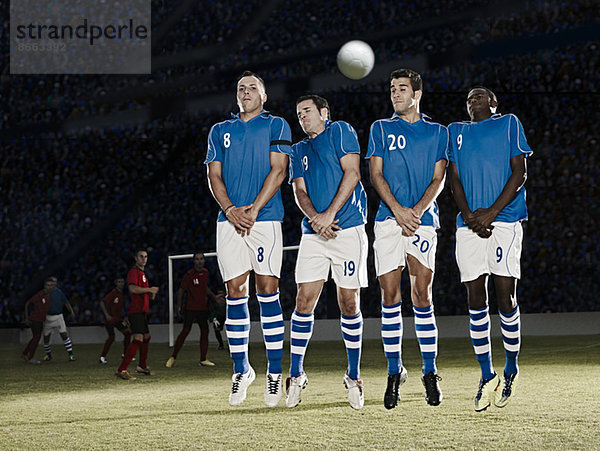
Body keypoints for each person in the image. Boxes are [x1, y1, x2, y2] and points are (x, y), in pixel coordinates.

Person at [205, 71, 291, 407]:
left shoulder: (276, 124)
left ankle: (273, 370)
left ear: (264, 96)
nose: (246, 92)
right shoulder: (219, 130)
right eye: (241, 88)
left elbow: (279, 170)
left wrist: (252, 210)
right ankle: (242, 370)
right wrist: (230, 210)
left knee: (267, 291)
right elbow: (214, 174)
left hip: (265, 219)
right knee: (234, 293)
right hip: (228, 221)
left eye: (252, 87)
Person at [448, 86, 533, 411]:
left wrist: (491, 213)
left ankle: (510, 367)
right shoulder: (456, 131)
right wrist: (469, 215)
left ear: (494, 103)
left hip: (505, 220)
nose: (473, 99)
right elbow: (453, 178)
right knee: (474, 297)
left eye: (480, 96)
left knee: (505, 296)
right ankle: (487, 374)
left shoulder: (509, 123)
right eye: (469, 97)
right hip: (469, 224)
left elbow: (520, 171)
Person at [366, 68, 447, 409]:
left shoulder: (438, 131)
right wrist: (399, 210)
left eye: (401, 88)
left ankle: (430, 372)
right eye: (392, 88)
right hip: (387, 221)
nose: (395, 93)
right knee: (390, 296)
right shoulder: (381, 128)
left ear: (417, 93)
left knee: (422, 294)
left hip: (423, 222)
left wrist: (415, 211)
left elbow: (439, 177)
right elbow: (375, 174)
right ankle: (393, 372)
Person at [285, 94, 368, 410]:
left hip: (347, 229)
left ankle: (353, 376)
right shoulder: (297, 150)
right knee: (303, 301)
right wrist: (315, 220)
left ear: (324, 112)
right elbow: (299, 191)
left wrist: (328, 215)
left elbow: (353, 173)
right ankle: (296, 375)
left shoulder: (341, 130)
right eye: (298, 112)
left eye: (306, 110)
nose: (302, 116)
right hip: (314, 234)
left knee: (349, 302)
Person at [166, 253, 216, 368]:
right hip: (190, 308)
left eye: (201, 259)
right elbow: (181, 290)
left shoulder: (206, 273)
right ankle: (173, 357)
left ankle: (203, 359)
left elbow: (204, 288)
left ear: (204, 261)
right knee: (185, 331)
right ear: (194, 261)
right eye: (197, 259)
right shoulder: (189, 275)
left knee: (205, 331)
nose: (199, 261)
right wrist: (178, 306)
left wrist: (213, 297)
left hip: (202, 308)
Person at [115, 249, 159, 380]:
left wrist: (150, 294)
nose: (144, 259)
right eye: (141, 256)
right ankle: (121, 370)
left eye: (145, 256)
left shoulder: (142, 273)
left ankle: (142, 366)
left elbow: (141, 291)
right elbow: (132, 289)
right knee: (138, 338)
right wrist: (149, 289)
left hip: (142, 311)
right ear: (135, 258)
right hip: (136, 311)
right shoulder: (134, 272)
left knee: (146, 337)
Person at [42, 277, 76, 362]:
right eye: (50, 283)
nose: (52, 285)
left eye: (54, 283)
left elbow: (66, 302)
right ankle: (49, 355)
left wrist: (71, 311)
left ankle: (71, 355)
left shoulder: (59, 292)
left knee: (64, 335)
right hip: (47, 318)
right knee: (46, 338)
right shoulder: (43, 294)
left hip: (58, 317)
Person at [99, 278, 131, 365]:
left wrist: (124, 318)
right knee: (111, 337)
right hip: (110, 320)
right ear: (116, 283)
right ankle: (102, 357)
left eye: (122, 282)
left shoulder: (122, 294)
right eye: (119, 282)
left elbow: (120, 308)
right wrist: (107, 315)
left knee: (127, 333)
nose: (121, 284)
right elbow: (102, 302)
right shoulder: (113, 293)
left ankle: (125, 354)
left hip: (117, 319)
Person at [22, 278, 53, 364]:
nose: (49, 287)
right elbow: (27, 303)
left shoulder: (49, 296)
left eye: (50, 285)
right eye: (47, 285)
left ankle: (24, 353)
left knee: (35, 338)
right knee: (37, 337)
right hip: (35, 319)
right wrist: (27, 318)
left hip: (40, 319)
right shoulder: (40, 295)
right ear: (44, 286)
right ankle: (30, 358)